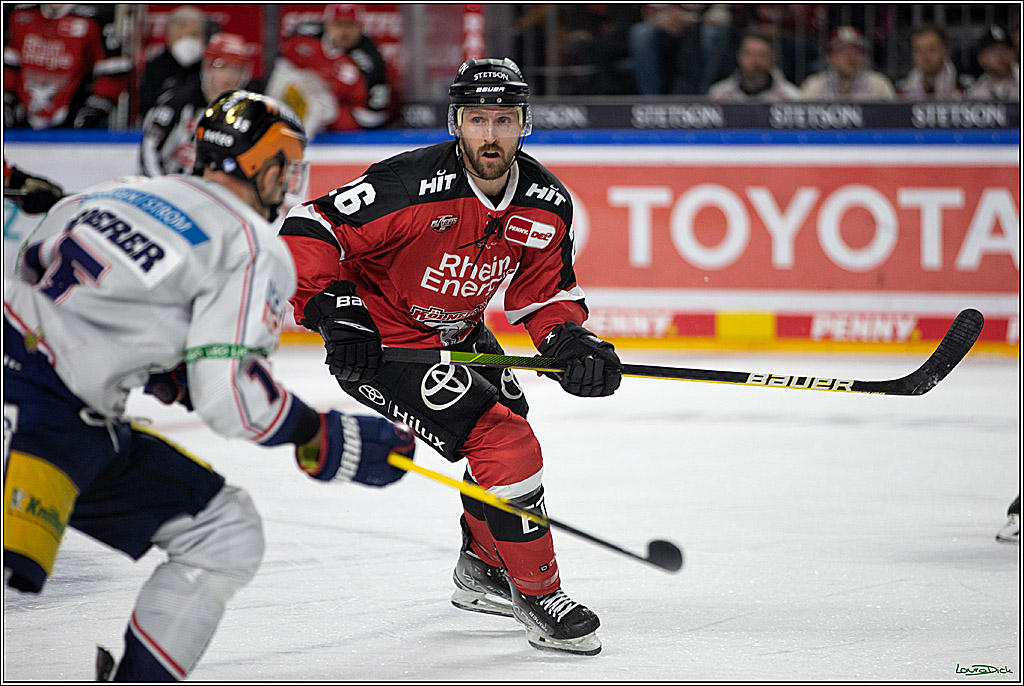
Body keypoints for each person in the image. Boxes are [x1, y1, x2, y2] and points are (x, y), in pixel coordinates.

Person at [3, 90, 416, 681]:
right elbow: (232, 399)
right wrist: (320, 433)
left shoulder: (115, 190)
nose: (290, 180)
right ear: (261, 166)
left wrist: (167, 370)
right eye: (287, 163)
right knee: (224, 535)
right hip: (47, 418)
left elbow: (45, 284)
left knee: (223, 529)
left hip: (47, 402)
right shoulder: (250, 244)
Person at [279, 57, 622, 656]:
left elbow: (545, 294)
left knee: (510, 430)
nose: (490, 135)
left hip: (461, 334)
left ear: (525, 124)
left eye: (504, 119)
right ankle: (538, 593)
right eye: (477, 119)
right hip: (385, 345)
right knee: (503, 442)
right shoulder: (408, 184)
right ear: (456, 122)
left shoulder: (546, 201)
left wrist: (571, 343)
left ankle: (484, 569)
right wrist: (334, 311)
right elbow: (309, 229)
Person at [139, 33, 255, 177]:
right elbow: (148, 151)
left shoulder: (251, 112)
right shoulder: (177, 102)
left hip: (216, 195)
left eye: (236, 69)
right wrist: (160, 191)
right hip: (170, 189)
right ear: (207, 68)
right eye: (222, 67)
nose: (229, 76)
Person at [3, 3, 131, 129]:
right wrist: (7, 99)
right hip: (21, 120)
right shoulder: (19, 15)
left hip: (74, 122)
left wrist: (95, 108)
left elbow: (114, 71)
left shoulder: (94, 19)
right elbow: (10, 66)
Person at [628, 4, 736, 95]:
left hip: (704, 23)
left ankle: (701, 97)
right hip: (666, 24)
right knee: (641, 33)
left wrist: (693, 19)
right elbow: (649, 11)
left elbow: (722, 15)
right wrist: (663, 20)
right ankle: (651, 102)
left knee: (710, 35)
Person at [139, 6, 207, 120]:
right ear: (169, 38)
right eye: (180, 37)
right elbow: (146, 107)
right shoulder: (155, 67)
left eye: (193, 35)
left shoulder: (209, 67)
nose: (187, 43)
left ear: (204, 37)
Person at [800, 25, 896, 100]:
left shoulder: (879, 85)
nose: (850, 57)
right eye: (842, 51)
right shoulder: (814, 86)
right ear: (830, 56)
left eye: (856, 51)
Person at [708, 30, 802, 101]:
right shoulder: (718, 95)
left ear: (773, 59)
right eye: (750, 54)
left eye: (762, 55)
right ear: (739, 57)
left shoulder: (791, 97)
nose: (755, 61)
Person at [897, 25, 962, 99]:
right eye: (918, 50)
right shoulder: (902, 90)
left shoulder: (964, 87)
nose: (925, 56)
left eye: (931, 49)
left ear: (945, 50)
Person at [964, 25, 1019, 102]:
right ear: (981, 58)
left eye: (1006, 49)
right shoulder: (976, 92)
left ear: (1014, 54)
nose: (1001, 55)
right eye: (994, 51)